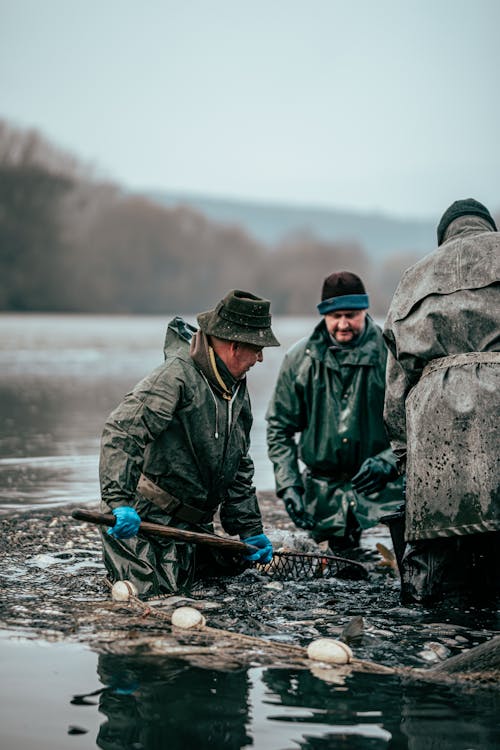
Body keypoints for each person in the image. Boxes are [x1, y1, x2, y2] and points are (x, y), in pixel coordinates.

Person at [99, 289, 279, 599]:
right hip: (148, 521)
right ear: (235, 347)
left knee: (225, 586)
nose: (261, 358)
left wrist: (250, 528)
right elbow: (122, 432)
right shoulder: (174, 378)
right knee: (156, 600)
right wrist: (119, 503)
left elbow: (239, 463)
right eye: (258, 349)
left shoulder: (236, 388)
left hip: (194, 525)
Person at [383, 198, 500, 604]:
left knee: (436, 576)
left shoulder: (413, 278)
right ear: (487, 226)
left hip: (434, 424)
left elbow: (397, 383)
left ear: (443, 236)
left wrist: (404, 457)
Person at [266, 271, 402, 552]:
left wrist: (389, 460)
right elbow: (279, 427)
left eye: (351, 315)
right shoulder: (298, 358)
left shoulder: (393, 354)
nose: (343, 324)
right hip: (323, 490)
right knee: (334, 560)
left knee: (406, 554)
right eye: (335, 315)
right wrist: (289, 485)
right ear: (324, 315)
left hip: (383, 484)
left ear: (365, 310)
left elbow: (418, 422)